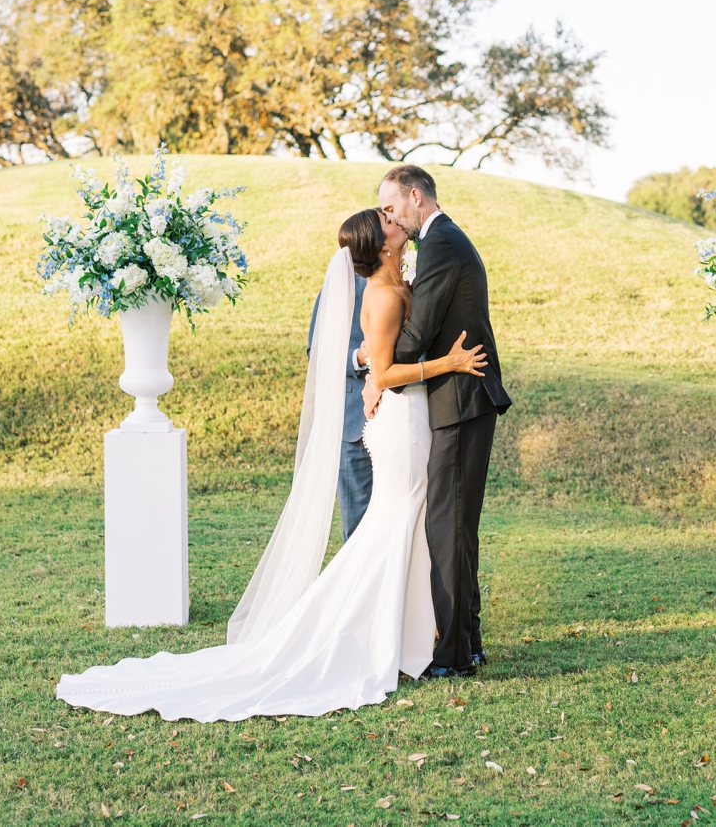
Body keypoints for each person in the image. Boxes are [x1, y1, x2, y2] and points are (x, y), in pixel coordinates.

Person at [56, 209, 486, 720]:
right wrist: (450, 364)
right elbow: (388, 370)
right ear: (384, 243)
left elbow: (382, 357)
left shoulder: (400, 280)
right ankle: (360, 633)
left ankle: (407, 636)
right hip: (401, 421)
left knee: (406, 522)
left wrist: (380, 374)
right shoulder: (386, 294)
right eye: (388, 220)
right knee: (394, 523)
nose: (397, 220)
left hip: (407, 416)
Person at [376, 166, 511, 678]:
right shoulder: (446, 239)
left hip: (460, 398)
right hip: (460, 397)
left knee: (447, 526)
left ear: (415, 196)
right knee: (456, 526)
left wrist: (378, 365)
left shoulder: (440, 245)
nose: (390, 217)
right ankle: (469, 642)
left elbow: (419, 330)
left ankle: (453, 656)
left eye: (391, 207)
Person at [307, 242, 372, 540]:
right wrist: (359, 358)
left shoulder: (410, 274)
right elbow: (317, 351)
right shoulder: (344, 280)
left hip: (402, 421)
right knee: (357, 528)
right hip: (352, 424)